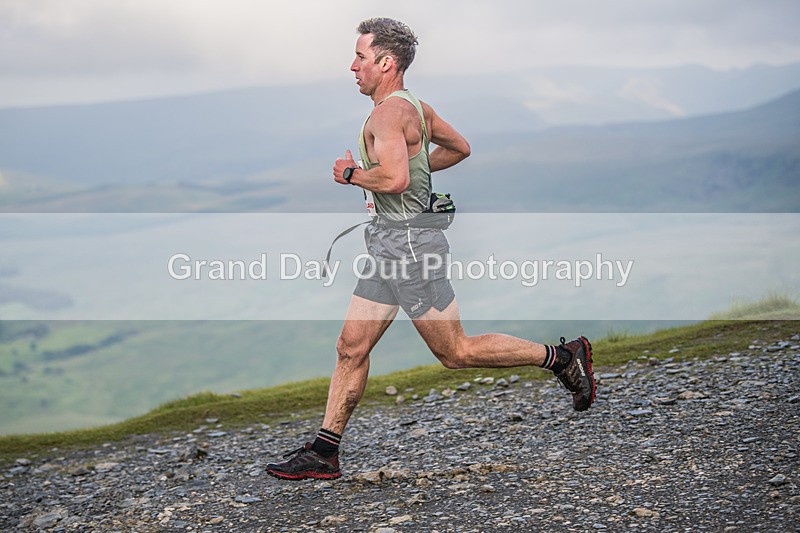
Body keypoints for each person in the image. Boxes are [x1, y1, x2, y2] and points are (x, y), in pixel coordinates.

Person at [266, 17, 595, 481]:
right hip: (389, 244)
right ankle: (324, 451)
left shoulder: (386, 114)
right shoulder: (416, 108)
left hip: (410, 247)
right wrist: (417, 175)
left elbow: (396, 178)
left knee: (455, 352)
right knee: (350, 346)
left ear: (386, 62)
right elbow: (459, 148)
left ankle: (562, 357)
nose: (352, 66)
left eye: (360, 58)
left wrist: (352, 175)